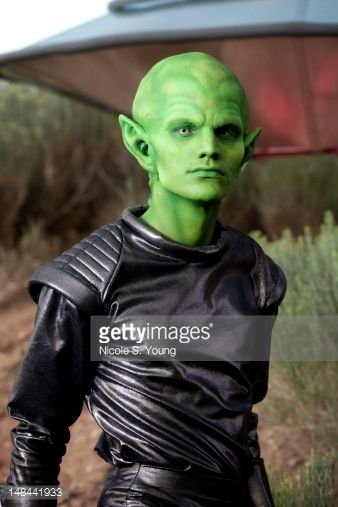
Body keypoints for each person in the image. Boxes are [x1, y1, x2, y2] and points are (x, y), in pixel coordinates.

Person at [4, 52, 286, 506]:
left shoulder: (256, 275)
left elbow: (240, 416)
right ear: (140, 144)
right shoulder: (86, 279)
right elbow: (38, 432)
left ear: (247, 150)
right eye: (184, 128)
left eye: (226, 131)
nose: (209, 147)